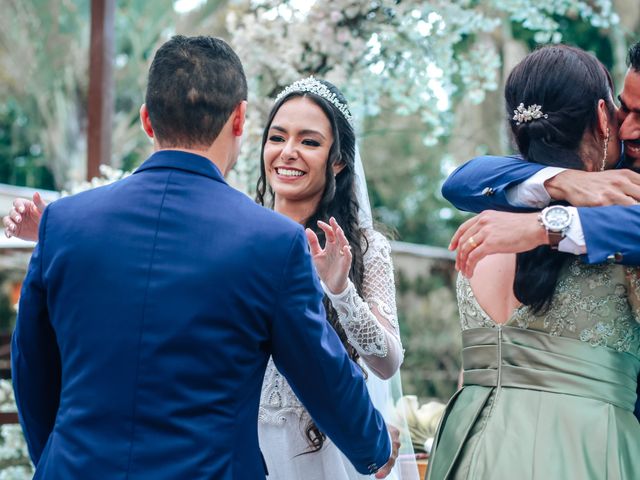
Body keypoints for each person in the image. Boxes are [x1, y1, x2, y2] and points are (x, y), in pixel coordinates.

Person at [11, 36, 399, 479]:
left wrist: (58, 461)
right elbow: (322, 374)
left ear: (146, 119)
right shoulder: (271, 241)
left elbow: (32, 370)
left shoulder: (63, 223)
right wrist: (372, 445)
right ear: (239, 119)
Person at [427, 45, 640, 480]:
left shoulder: (528, 219)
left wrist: (548, 227)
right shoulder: (577, 185)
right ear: (603, 116)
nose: (630, 129)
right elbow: (462, 180)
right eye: (624, 109)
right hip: (588, 444)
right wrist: (561, 182)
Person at [255, 77, 418, 480]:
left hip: (326, 451)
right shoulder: (243, 235)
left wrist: (340, 290)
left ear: (338, 160)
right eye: (277, 137)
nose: (288, 152)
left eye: (309, 142)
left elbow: (387, 363)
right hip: (247, 446)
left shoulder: (364, 248)